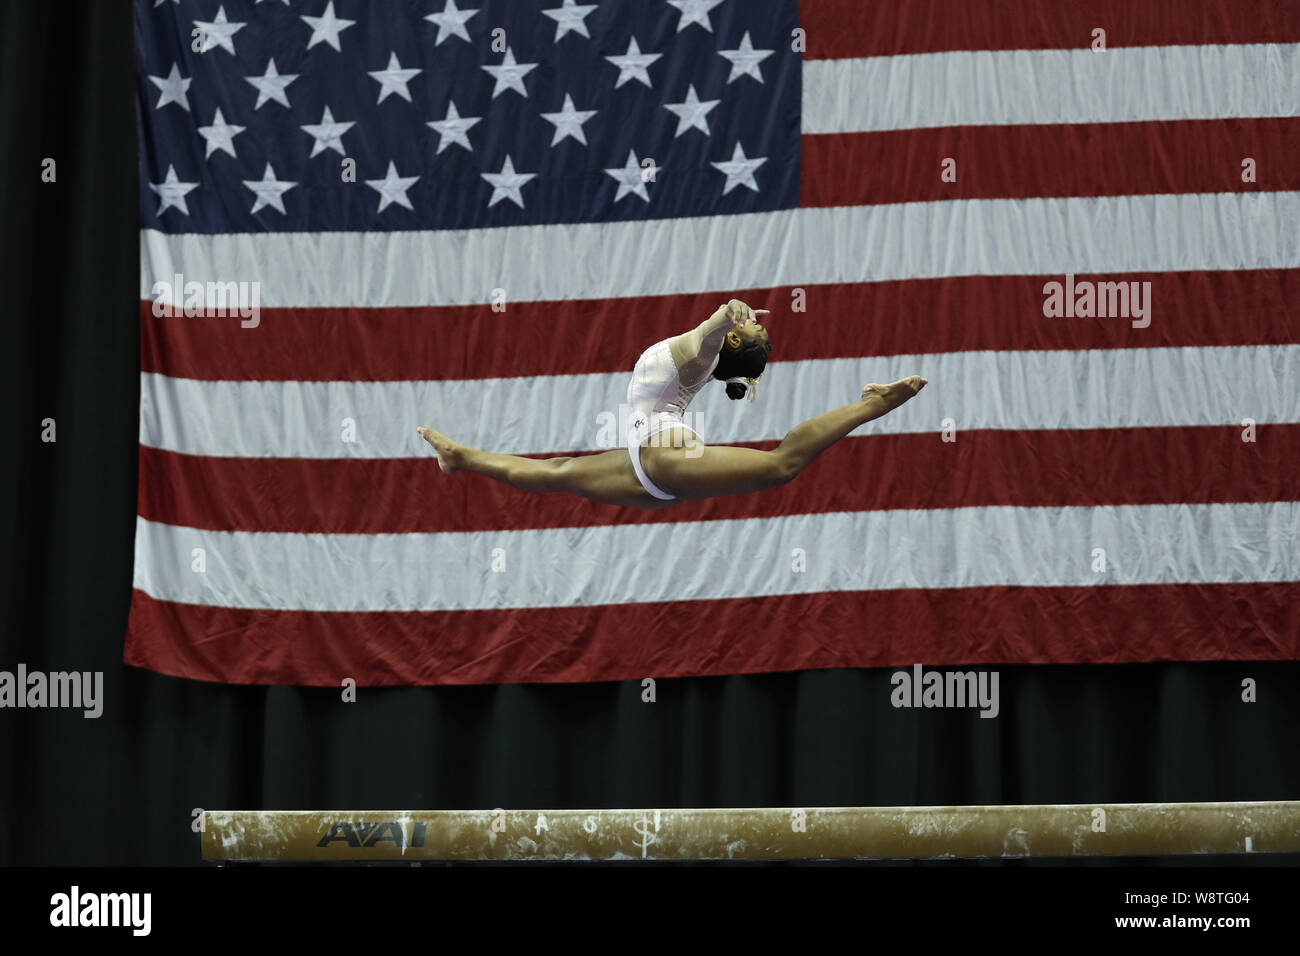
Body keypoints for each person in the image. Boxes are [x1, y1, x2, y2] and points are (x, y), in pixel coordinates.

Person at [417, 299, 926, 509]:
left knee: (780, 465)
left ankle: (874, 405)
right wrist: (728, 320)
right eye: (757, 323)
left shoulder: (698, 351)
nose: (756, 320)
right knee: (555, 473)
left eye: (752, 329)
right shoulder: (699, 352)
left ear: (729, 343)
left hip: (662, 456)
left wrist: (727, 316)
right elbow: (711, 332)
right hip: (647, 462)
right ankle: (462, 458)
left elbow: (709, 332)